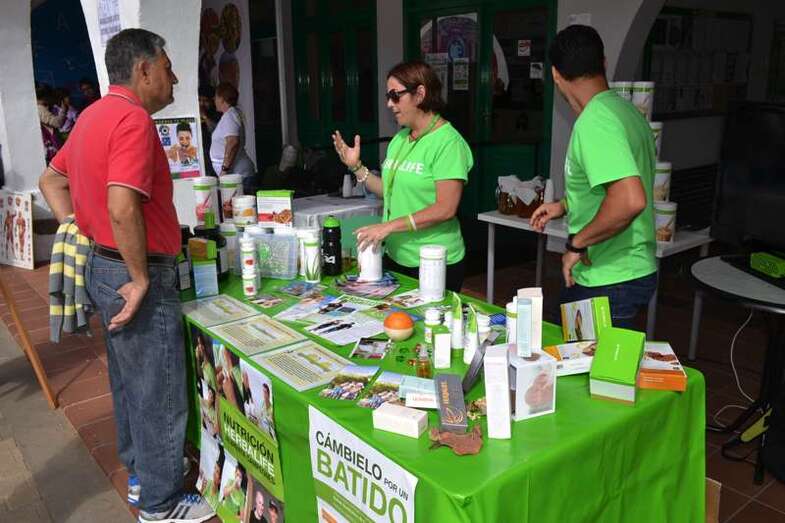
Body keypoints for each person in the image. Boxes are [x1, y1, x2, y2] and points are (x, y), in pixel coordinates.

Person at [38, 28, 215, 522]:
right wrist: (139, 277)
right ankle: (161, 503)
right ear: (144, 69)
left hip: (104, 263)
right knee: (158, 390)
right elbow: (121, 207)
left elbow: (51, 179)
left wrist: (77, 225)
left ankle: (142, 476)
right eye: (168, 68)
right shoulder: (132, 120)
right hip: (133, 270)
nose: (174, 78)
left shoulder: (93, 115)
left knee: (130, 382)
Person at [529, 25, 656, 328]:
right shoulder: (625, 111)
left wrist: (577, 244)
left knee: (585, 359)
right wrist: (565, 205)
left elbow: (629, 199)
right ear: (604, 63)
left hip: (609, 279)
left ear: (556, 74)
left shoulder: (595, 121)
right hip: (625, 273)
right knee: (587, 354)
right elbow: (610, 184)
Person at [332, 60, 473, 292]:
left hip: (434, 261)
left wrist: (388, 227)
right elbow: (390, 190)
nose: (389, 104)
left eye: (395, 96)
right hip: (396, 256)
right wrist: (356, 167)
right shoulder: (400, 139)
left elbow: (445, 208)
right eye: (388, 96)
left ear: (420, 94)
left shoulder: (448, 143)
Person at [210, 82, 256, 193]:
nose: (214, 99)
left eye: (216, 96)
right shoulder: (230, 115)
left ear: (222, 99)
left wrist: (224, 170)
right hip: (236, 175)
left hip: (238, 176)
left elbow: (233, 142)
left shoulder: (230, 116)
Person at [36, 84, 65, 163]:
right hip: (51, 145)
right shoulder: (40, 109)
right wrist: (63, 110)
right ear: (45, 97)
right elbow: (57, 123)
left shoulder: (41, 107)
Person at [198, 85, 220, 176]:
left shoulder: (217, 114)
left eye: (205, 101)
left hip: (213, 156)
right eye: (199, 100)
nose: (202, 104)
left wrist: (204, 116)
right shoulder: (193, 113)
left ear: (212, 101)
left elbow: (216, 131)